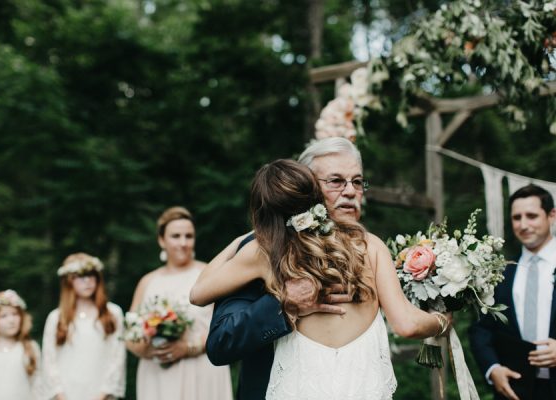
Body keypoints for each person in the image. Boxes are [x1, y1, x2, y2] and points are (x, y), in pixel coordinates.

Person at [191, 159, 451, 399]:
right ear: (316, 196)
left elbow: (198, 293)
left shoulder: (265, 252)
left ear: (262, 211)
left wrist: (242, 239)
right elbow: (407, 324)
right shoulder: (370, 246)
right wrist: (442, 322)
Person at [202, 137, 368, 400]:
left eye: (357, 182)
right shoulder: (264, 248)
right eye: (336, 181)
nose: (349, 191)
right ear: (306, 187)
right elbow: (220, 343)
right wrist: (283, 305)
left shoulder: (371, 250)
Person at [126, 206, 233, 400]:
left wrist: (189, 347)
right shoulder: (147, 282)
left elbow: (226, 325)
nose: (183, 243)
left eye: (188, 236)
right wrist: (149, 350)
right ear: (161, 240)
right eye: (176, 236)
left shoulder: (208, 274)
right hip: (158, 374)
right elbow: (130, 333)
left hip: (202, 370)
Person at [470, 184, 556, 400]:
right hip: (515, 390)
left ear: (552, 215)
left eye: (532, 216)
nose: (523, 224)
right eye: (517, 217)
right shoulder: (500, 273)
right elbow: (481, 330)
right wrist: (493, 369)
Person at [42, 253, 126, 400]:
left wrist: (102, 394)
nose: (87, 281)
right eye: (80, 276)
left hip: (101, 393)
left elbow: (117, 357)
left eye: (91, 275)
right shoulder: (56, 318)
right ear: (68, 281)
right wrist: (60, 395)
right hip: (67, 393)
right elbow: (49, 360)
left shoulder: (112, 313)